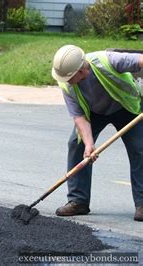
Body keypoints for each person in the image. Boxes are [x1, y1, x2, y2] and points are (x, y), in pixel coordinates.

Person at [51, 45, 143, 222]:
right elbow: (79, 117)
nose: (67, 81)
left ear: (80, 70)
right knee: (76, 146)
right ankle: (78, 201)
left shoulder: (107, 60)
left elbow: (140, 61)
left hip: (126, 107)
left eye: (70, 77)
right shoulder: (66, 84)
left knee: (140, 148)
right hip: (93, 113)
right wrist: (88, 144)